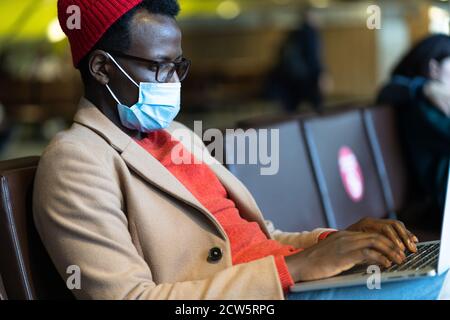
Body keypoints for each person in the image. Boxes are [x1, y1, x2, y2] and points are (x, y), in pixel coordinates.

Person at [33, 0, 449, 300]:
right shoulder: (76, 159)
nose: (173, 82)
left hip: (287, 284)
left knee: (437, 273)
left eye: (178, 67)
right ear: (102, 68)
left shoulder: (177, 135)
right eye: (159, 66)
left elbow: (260, 239)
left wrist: (336, 242)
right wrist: (296, 269)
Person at [377, 35, 450, 227]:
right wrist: (423, 88)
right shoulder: (423, 105)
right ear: (434, 68)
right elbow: (387, 90)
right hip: (438, 207)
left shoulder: (420, 98)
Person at [266, 7, 331, 114]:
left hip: (289, 81)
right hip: (306, 79)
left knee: (290, 114)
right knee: (318, 111)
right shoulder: (310, 32)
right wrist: (322, 74)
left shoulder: (293, 33)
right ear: (313, 17)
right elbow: (313, 57)